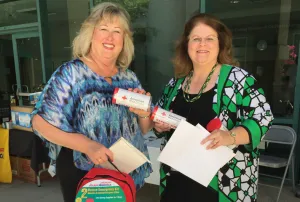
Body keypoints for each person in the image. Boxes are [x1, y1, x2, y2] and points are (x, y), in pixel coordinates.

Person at [31, 3, 152, 202]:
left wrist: (143, 113)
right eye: (103, 29)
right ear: (90, 34)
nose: (110, 37)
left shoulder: (129, 78)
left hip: (123, 171)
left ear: (124, 39)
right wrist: (88, 146)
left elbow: (143, 128)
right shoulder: (71, 74)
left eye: (117, 31)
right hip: (83, 173)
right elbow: (39, 122)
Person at [152, 13, 274, 202]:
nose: (202, 44)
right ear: (187, 45)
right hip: (176, 181)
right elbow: (159, 119)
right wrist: (158, 125)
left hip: (223, 185)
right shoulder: (174, 84)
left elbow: (263, 118)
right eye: (196, 39)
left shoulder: (239, 79)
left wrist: (230, 136)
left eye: (209, 39)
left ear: (220, 44)